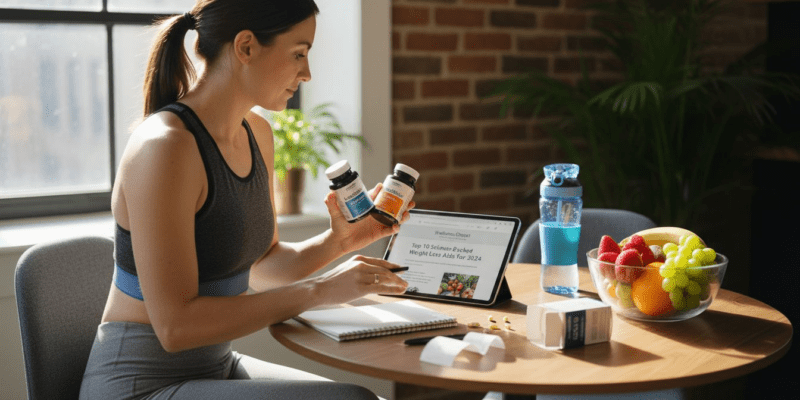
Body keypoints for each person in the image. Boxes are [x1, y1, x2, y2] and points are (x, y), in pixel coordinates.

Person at [79, 1, 411, 399]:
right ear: (246, 47)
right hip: (140, 384)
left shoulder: (256, 133)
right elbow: (176, 327)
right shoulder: (165, 147)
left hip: (214, 368)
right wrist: (320, 290)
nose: (307, 73)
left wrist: (341, 241)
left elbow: (262, 267)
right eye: (299, 54)